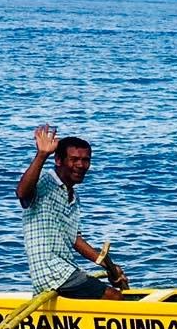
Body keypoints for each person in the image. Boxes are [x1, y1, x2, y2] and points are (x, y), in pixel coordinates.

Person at [15, 124, 126, 300]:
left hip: (65, 270)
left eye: (86, 160)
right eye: (74, 160)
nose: (81, 165)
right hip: (52, 273)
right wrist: (42, 155)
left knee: (117, 292)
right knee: (115, 298)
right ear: (58, 160)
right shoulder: (44, 182)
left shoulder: (73, 195)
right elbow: (22, 193)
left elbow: (74, 238)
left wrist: (110, 267)